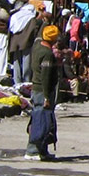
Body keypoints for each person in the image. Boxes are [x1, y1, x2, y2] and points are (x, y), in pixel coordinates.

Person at [25, 25, 61, 160]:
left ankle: (42, 150)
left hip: (37, 89)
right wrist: (47, 96)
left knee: (44, 121)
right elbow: (46, 77)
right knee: (40, 121)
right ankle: (32, 150)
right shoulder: (47, 54)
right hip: (42, 90)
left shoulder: (37, 46)